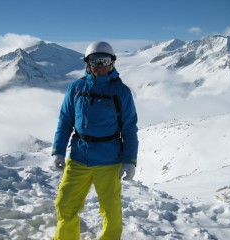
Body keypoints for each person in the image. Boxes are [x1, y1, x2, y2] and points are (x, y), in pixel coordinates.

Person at [52, 41, 138, 240]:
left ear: (112, 63)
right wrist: (58, 150)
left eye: (104, 60)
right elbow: (65, 121)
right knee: (64, 203)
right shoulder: (76, 88)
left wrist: (129, 160)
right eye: (94, 60)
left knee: (111, 208)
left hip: (109, 160)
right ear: (87, 63)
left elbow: (129, 129)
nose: (99, 65)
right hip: (78, 157)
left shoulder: (121, 92)